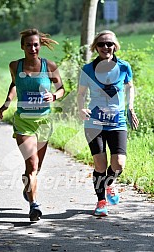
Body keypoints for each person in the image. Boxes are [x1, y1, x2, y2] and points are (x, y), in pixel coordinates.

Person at [0, 28, 65, 221]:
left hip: (44, 122)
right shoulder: (15, 66)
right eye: (28, 45)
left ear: (40, 45)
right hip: (23, 122)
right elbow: (14, 84)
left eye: (36, 44)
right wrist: (7, 102)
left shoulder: (49, 65)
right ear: (22, 47)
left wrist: (53, 95)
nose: (33, 48)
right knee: (32, 163)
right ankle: (34, 205)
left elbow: (61, 88)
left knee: (35, 169)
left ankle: (28, 187)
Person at [77, 30, 139, 216]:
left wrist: (131, 108)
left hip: (117, 121)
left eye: (109, 43)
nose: (106, 47)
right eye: (101, 44)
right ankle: (101, 202)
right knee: (100, 165)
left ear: (115, 46)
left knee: (119, 164)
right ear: (95, 47)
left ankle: (109, 184)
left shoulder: (124, 67)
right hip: (94, 122)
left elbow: (130, 87)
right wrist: (81, 108)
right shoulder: (88, 69)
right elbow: (80, 94)